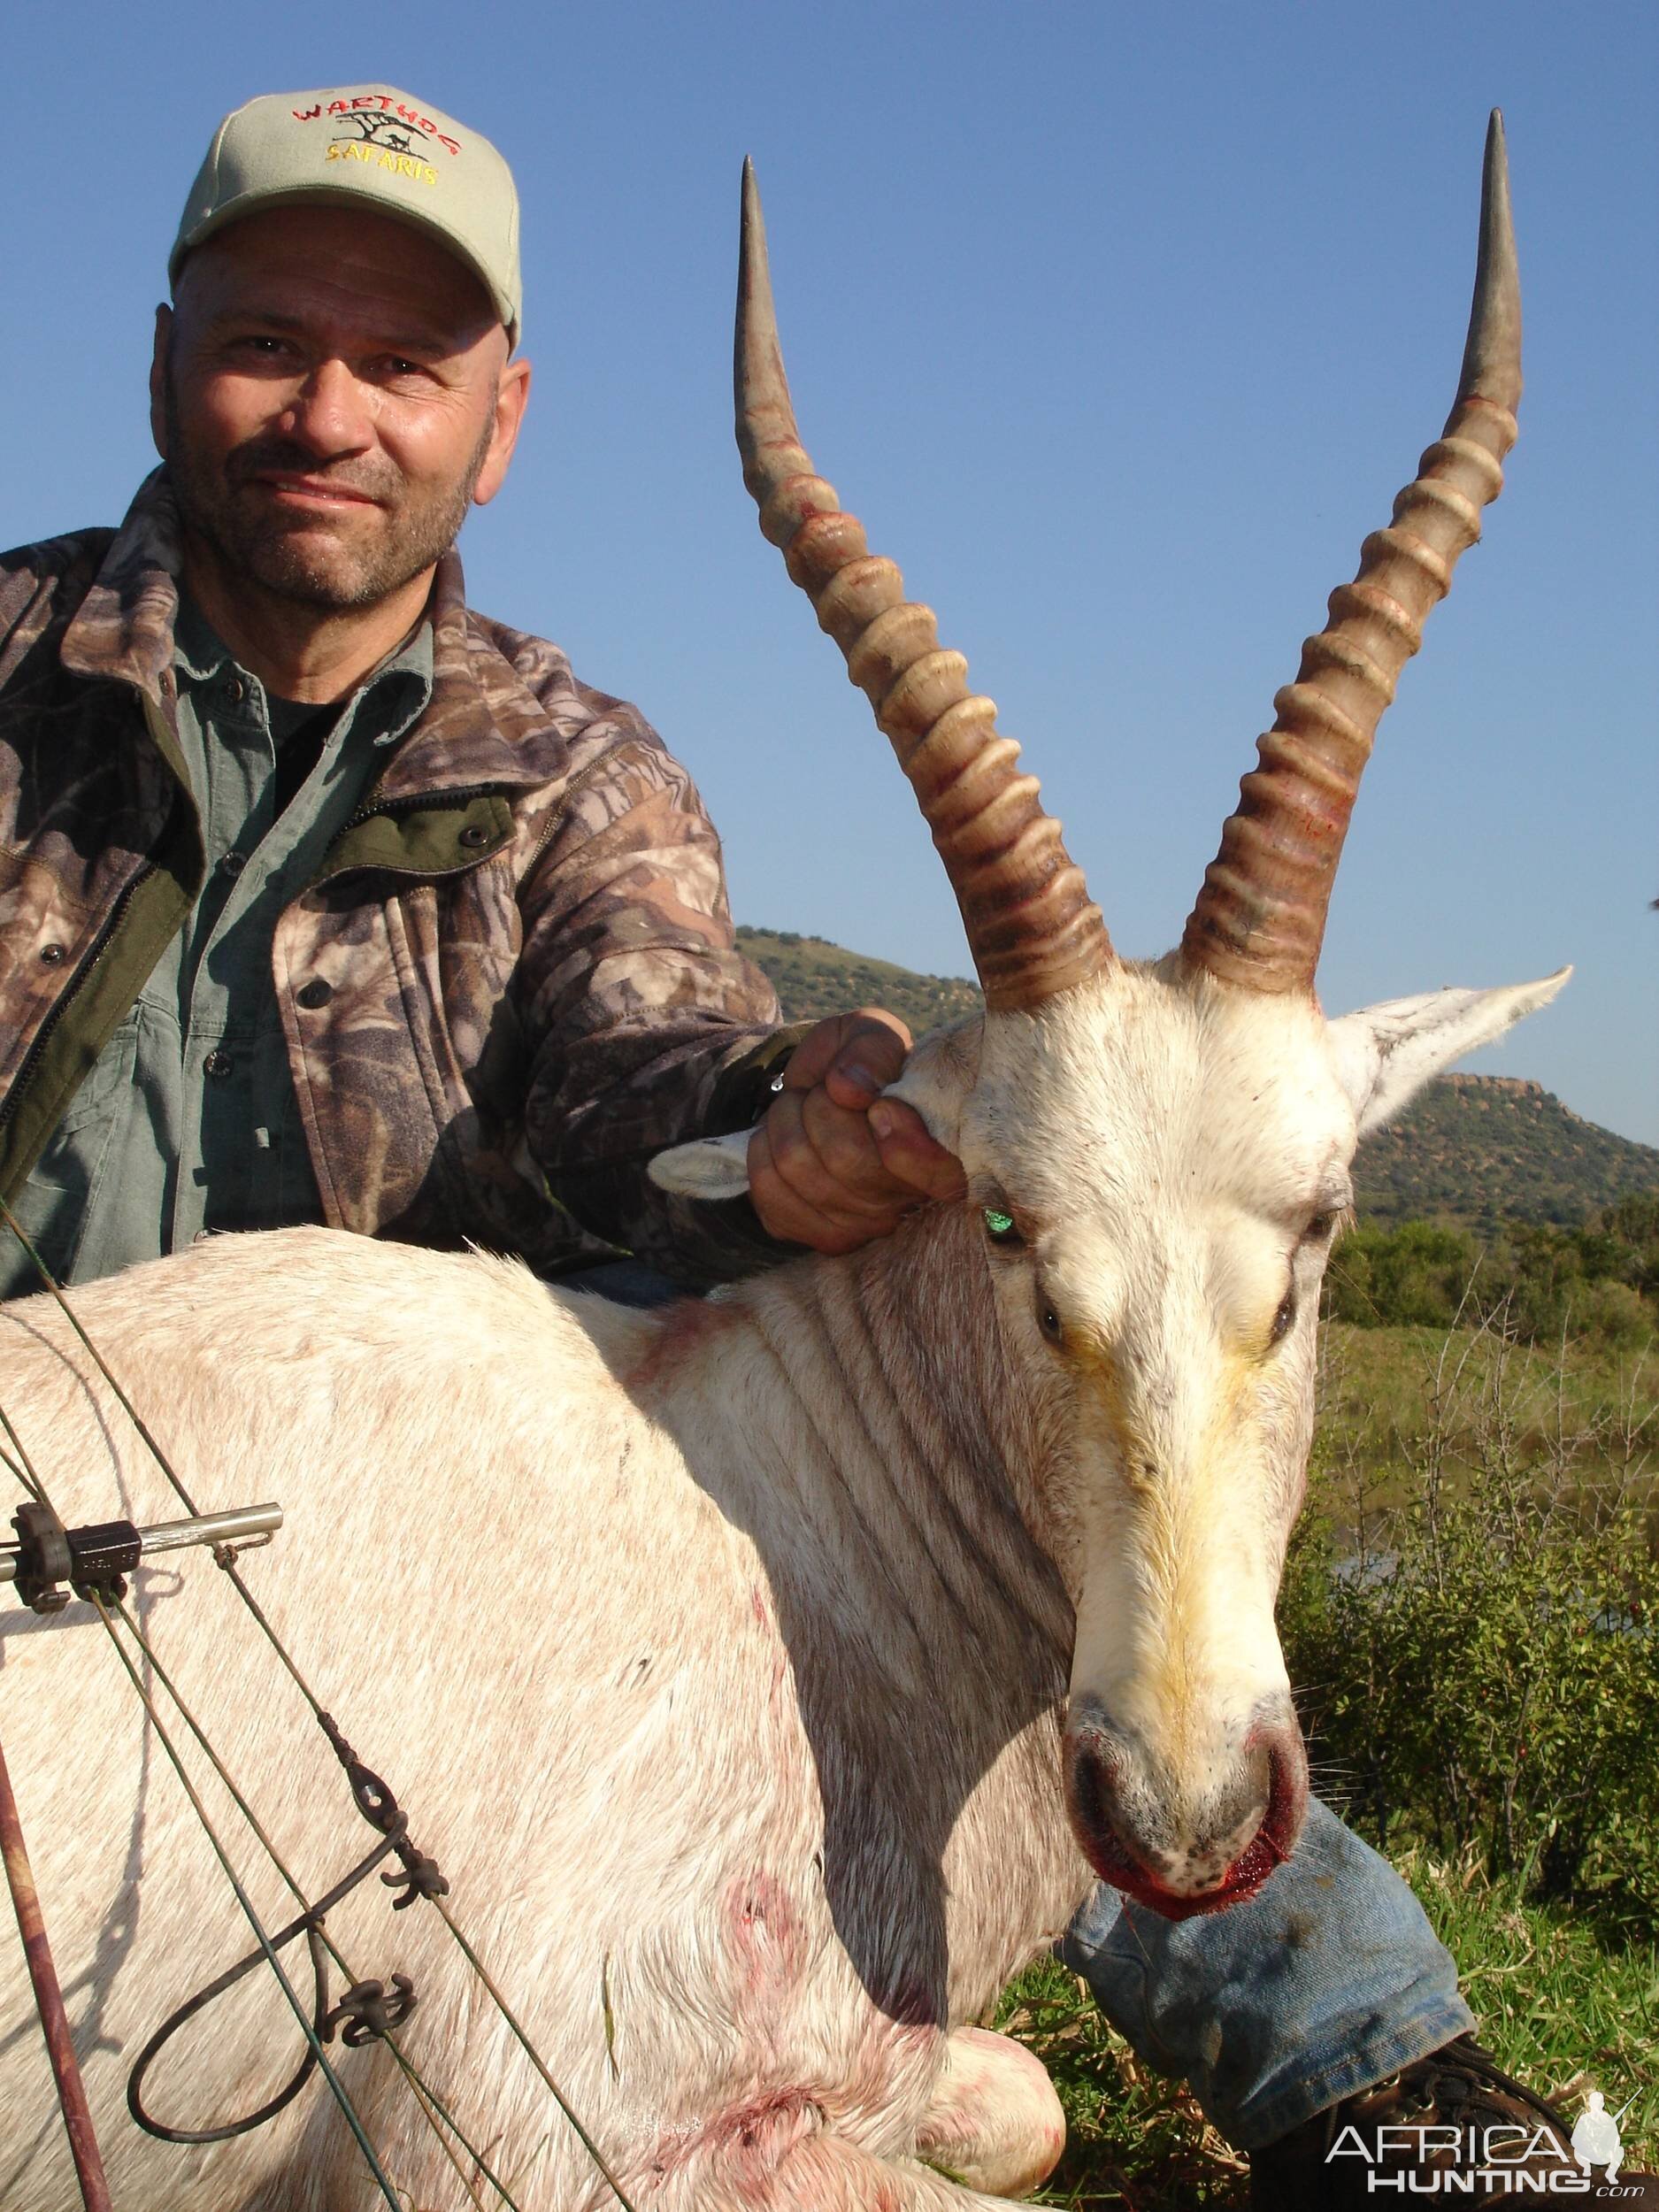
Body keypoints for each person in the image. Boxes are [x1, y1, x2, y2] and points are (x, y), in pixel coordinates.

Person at [0, 82, 1571, 2206]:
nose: (333, 411)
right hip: (101, 1499)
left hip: (428, 1521)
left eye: (405, 365)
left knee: (988, 1535)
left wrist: (796, 1123)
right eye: (274, 341)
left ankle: (1409, 2105)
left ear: (502, 415)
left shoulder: (571, 771)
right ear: (169, 351)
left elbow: (661, 1078)